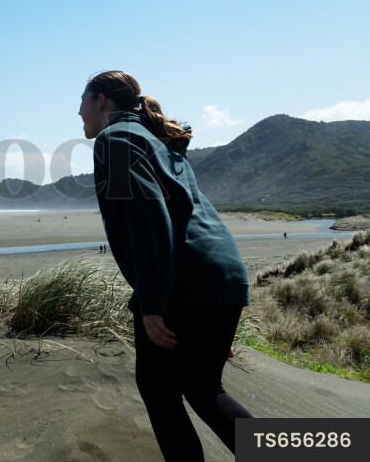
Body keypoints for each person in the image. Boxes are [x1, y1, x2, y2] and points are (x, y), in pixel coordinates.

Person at [78, 71, 252, 461]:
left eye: (83, 101)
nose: (78, 111)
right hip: (223, 275)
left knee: (159, 390)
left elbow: (148, 216)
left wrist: (153, 302)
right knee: (204, 389)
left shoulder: (115, 138)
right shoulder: (156, 138)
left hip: (184, 280)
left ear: (101, 101)